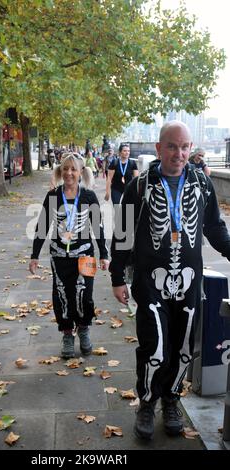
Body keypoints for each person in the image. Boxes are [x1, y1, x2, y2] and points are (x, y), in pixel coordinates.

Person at [110, 121, 230, 440]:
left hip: (189, 282)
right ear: (158, 148)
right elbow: (122, 234)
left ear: (191, 149)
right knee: (155, 347)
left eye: (185, 147)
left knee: (182, 348)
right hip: (150, 282)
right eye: (173, 146)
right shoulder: (140, 186)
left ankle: (171, 399)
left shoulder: (202, 184)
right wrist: (117, 277)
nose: (179, 153)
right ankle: (147, 402)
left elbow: (214, 227)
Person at [29, 153, 109, 359]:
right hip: (59, 256)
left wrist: (104, 254)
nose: (69, 173)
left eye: (73, 169)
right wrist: (34, 255)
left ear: (81, 172)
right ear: (61, 171)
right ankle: (66, 334)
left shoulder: (89, 196)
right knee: (62, 295)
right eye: (66, 169)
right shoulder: (53, 196)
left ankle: (83, 329)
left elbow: (98, 227)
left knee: (85, 295)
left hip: (86, 255)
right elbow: (42, 226)